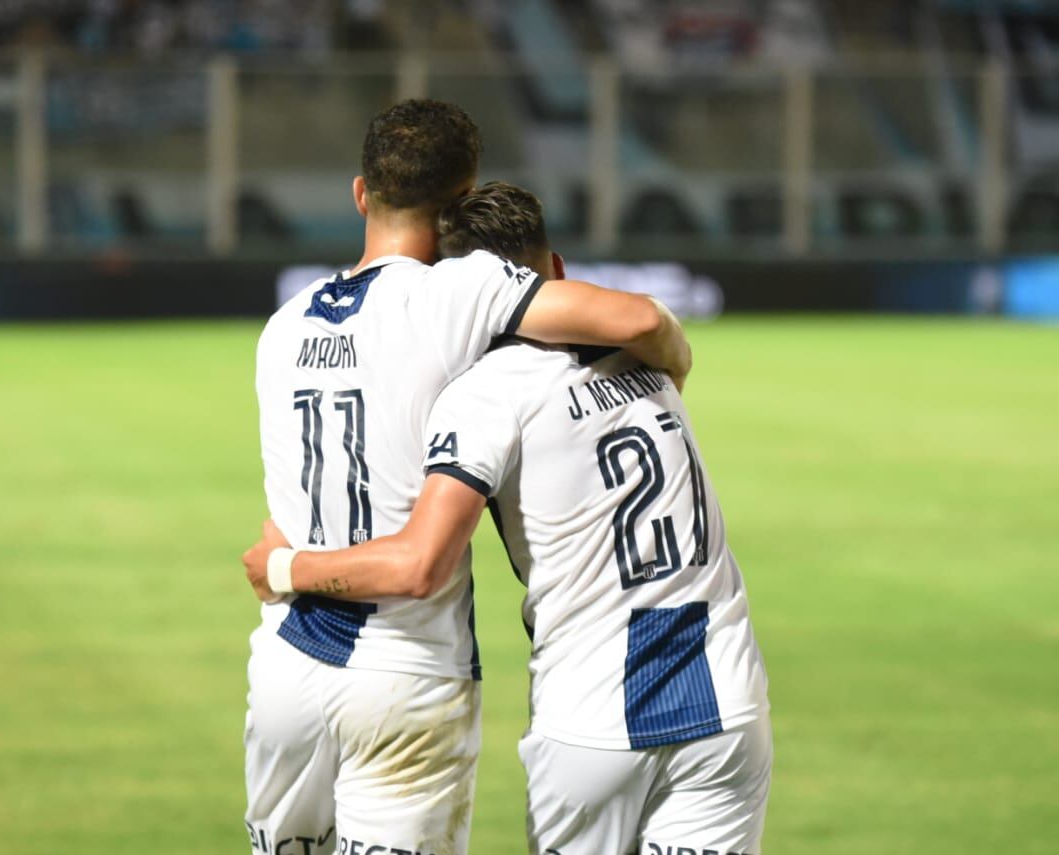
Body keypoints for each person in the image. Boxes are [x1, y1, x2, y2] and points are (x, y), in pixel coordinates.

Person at [245, 182, 770, 855]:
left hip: (593, 709)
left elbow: (418, 560)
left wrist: (284, 565)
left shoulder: (485, 395)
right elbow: (647, 323)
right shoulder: (651, 361)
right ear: (557, 271)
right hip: (728, 698)